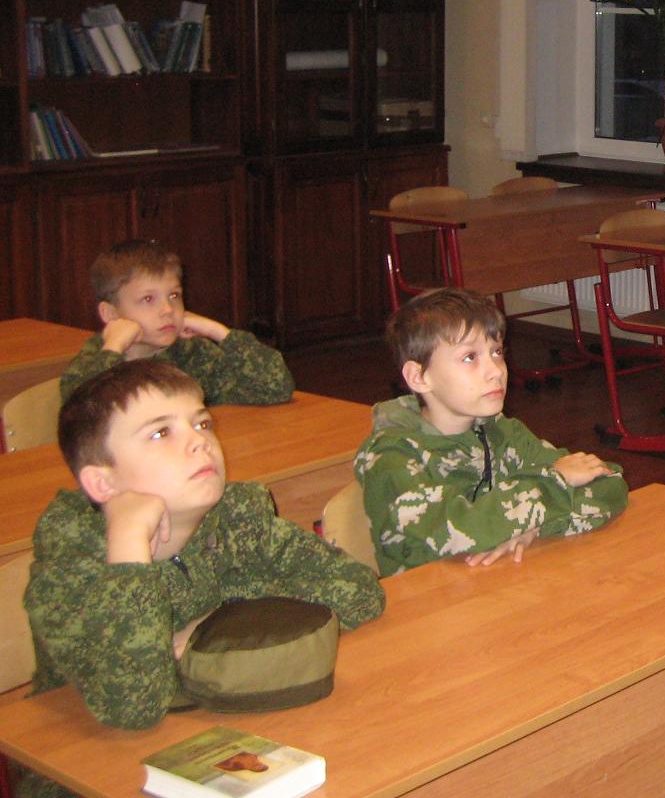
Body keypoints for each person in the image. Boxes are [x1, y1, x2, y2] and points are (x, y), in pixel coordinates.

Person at [23, 361, 384, 762]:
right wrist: (128, 548)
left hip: (228, 724)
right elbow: (134, 706)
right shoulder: (71, 565)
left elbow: (359, 591)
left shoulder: (236, 517)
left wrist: (217, 624)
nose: (200, 441)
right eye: (161, 433)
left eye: (202, 423)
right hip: (93, 763)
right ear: (103, 483)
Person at [356, 287, 628, 577]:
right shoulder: (392, 457)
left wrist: (533, 527)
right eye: (470, 357)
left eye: (497, 352)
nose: (496, 371)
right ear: (419, 377)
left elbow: (609, 483)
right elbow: (462, 531)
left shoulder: (500, 431)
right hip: (432, 597)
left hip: (500, 583)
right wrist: (552, 485)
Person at [60, 238, 293, 405]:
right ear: (111, 313)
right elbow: (82, 412)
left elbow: (276, 387)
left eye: (174, 295)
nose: (168, 310)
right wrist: (113, 348)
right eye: (148, 299)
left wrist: (219, 332)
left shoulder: (192, 354)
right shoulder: (95, 361)